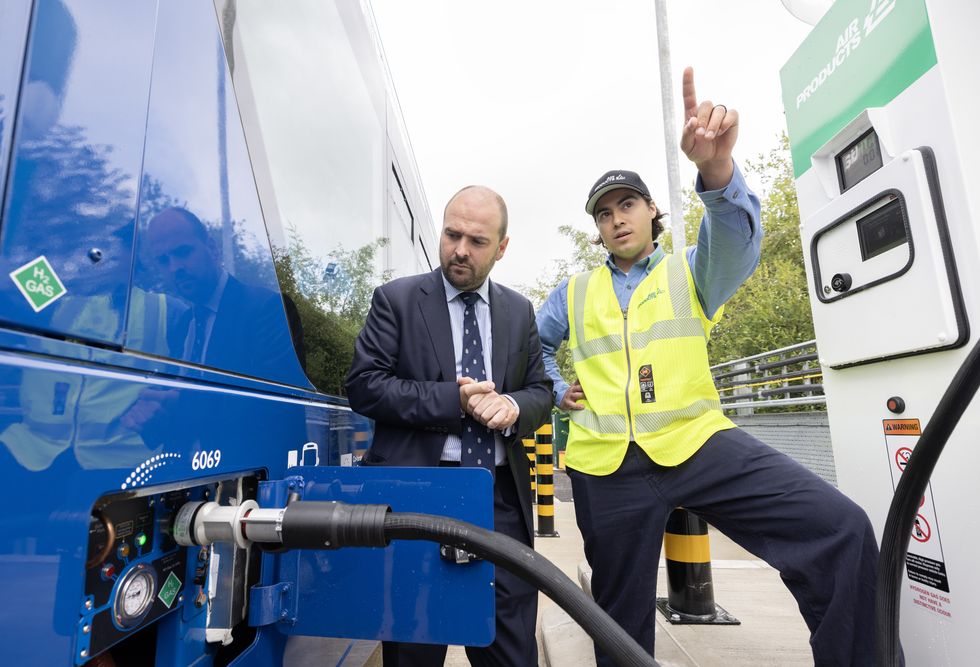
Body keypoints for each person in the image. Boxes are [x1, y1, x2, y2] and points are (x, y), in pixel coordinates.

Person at [535, 67, 881, 666]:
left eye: (628, 205)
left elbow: (737, 239)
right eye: (605, 213)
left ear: (651, 213)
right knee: (619, 624)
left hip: (697, 445)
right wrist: (556, 384)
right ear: (597, 229)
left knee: (840, 528)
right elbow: (530, 349)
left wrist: (717, 173)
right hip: (605, 466)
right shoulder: (572, 291)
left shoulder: (692, 270)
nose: (617, 218)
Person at [346, 185, 553, 666]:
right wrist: (452, 401)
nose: (460, 250)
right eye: (452, 234)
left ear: (502, 247)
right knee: (414, 644)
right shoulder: (395, 300)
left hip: (499, 499)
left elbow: (541, 390)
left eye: (477, 241)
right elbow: (365, 386)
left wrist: (516, 407)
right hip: (419, 495)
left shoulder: (519, 311)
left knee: (510, 649)